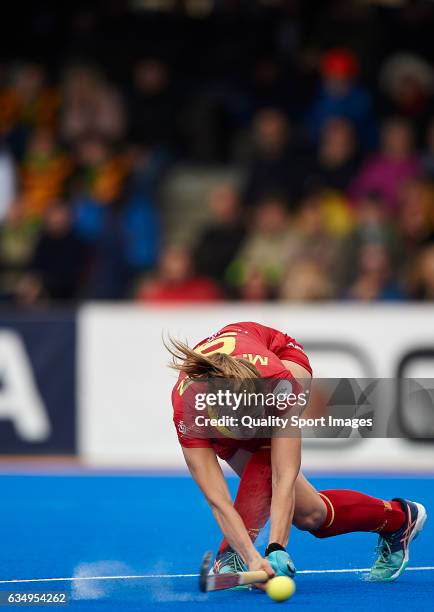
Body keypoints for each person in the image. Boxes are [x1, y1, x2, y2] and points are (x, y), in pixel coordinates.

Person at [169, 321, 426, 585]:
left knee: (267, 457)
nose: (256, 431)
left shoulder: (279, 388)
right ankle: (399, 518)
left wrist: (275, 548)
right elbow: (218, 500)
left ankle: (228, 554)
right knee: (310, 515)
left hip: (281, 355)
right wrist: (253, 557)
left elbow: (283, 474)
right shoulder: (188, 412)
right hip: (227, 400)